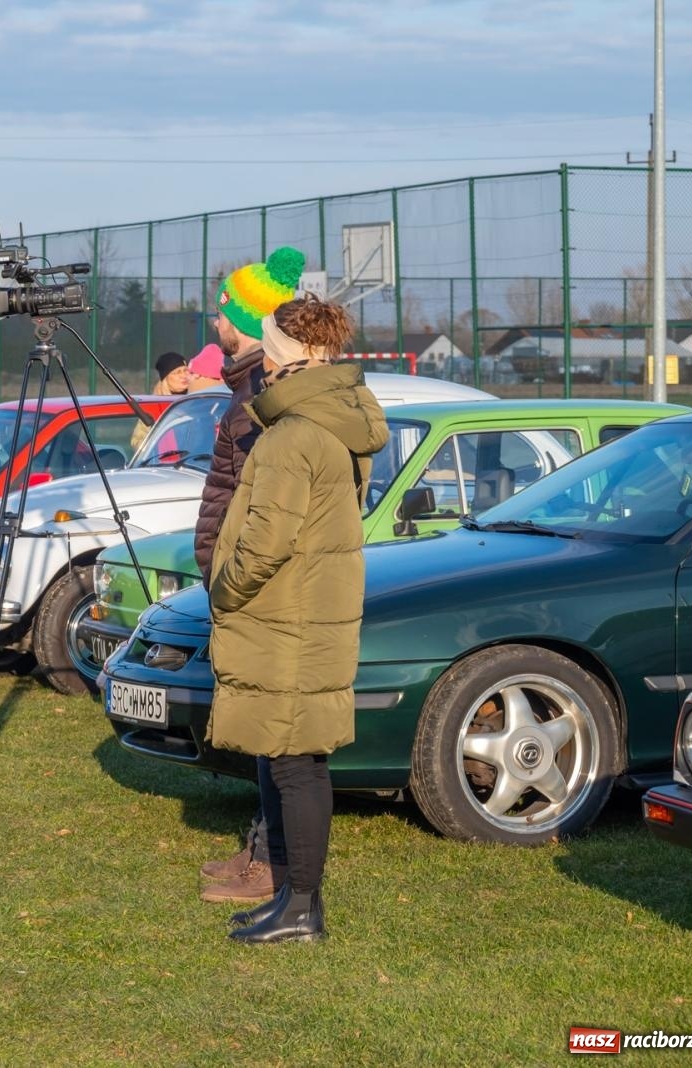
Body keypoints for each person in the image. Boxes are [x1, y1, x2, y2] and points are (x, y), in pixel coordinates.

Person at [207, 296, 388, 944]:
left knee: (294, 762)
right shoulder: (336, 418)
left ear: (295, 353)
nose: (265, 355)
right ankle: (290, 898)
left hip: (288, 616)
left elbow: (267, 540)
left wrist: (224, 591)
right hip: (308, 611)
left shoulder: (296, 433)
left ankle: (303, 908)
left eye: (271, 344)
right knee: (284, 754)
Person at [190, 246, 306, 905]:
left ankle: (276, 864)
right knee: (260, 733)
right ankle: (262, 849)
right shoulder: (242, 387)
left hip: (256, 585)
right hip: (234, 579)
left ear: (245, 319)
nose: (214, 320)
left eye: (222, 309)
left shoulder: (263, 395)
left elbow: (260, 500)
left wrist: (232, 574)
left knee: (275, 733)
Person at [129, 351, 192, 451]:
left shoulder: (195, 400)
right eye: (177, 372)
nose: (184, 376)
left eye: (186, 370)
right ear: (165, 378)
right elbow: (137, 442)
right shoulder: (154, 406)